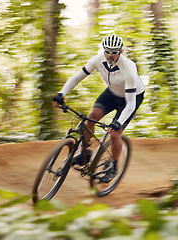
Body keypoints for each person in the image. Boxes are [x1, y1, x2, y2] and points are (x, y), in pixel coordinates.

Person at [53, 34, 145, 183]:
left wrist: (118, 123)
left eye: (114, 52)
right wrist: (61, 93)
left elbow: (130, 104)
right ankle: (84, 153)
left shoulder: (128, 67)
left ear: (120, 51)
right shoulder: (98, 60)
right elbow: (77, 77)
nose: (110, 55)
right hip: (112, 92)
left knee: (115, 134)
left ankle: (113, 167)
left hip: (131, 98)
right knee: (92, 116)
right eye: (107, 51)